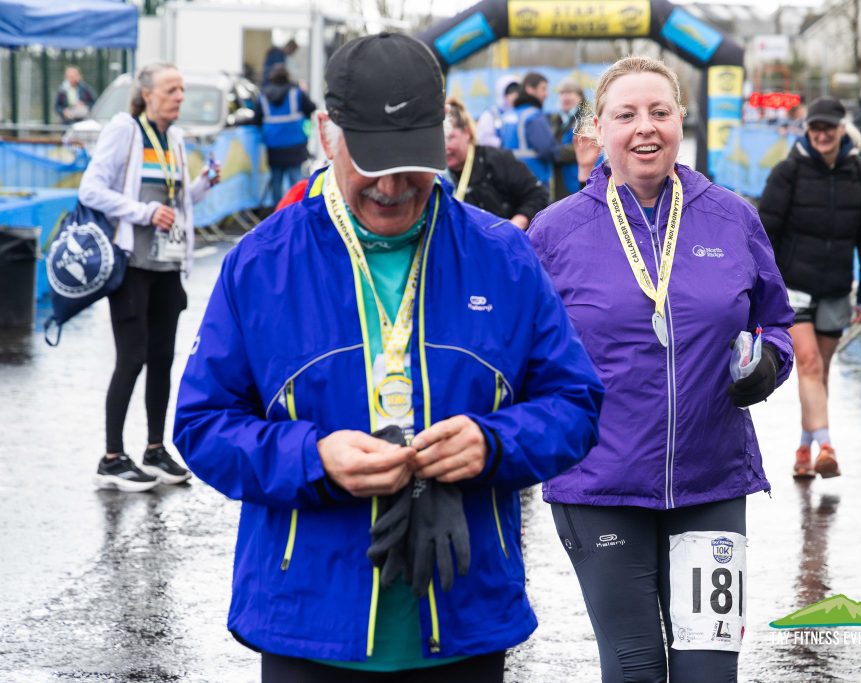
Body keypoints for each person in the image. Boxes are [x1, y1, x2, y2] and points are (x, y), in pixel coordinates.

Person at [173, 33, 603, 682]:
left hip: (465, 623)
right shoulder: (261, 264)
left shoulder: (502, 256)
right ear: (327, 134)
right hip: (307, 630)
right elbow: (202, 424)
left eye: (412, 163)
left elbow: (575, 403)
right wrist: (313, 458)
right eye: (374, 163)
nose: (395, 186)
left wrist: (494, 443)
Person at [529, 55, 795, 682]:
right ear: (598, 128)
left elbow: (775, 323)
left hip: (711, 482)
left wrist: (769, 362)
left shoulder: (731, 217)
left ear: (681, 120)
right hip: (601, 485)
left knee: (709, 673)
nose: (644, 127)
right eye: (626, 115)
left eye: (659, 112)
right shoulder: (556, 232)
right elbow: (522, 355)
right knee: (635, 669)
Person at [77, 62, 220, 492]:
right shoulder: (125, 130)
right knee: (132, 358)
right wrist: (143, 212)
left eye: (181, 89)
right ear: (147, 94)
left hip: (167, 266)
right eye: (171, 89)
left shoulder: (174, 138)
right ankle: (111, 458)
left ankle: (155, 450)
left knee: (162, 359)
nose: (180, 97)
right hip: (132, 266)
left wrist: (202, 184)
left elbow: (175, 202)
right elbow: (91, 189)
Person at [758, 96, 861, 480]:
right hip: (793, 287)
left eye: (829, 127)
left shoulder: (860, 175)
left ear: (843, 129)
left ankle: (804, 448)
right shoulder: (788, 172)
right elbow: (764, 234)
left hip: (835, 288)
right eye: (815, 127)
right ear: (807, 130)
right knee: (809, 363)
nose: (822, 134)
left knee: (820, 372)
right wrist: (764, 288)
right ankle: (827, 447)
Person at [444, 97, 549, 230]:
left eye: (450, 137)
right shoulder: (437, 175)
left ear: (467, 132)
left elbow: (538, 195)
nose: (444, 147)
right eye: (440, 139)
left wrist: (513, 226)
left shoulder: (497, 160)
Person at [255, 64, 317, 207]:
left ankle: (278, 210)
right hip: (295, 144)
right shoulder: (296, 93)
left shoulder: (263, 96)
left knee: (276, 180)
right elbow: (311, 107)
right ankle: (298, 209)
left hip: (273, 146)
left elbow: (256, 119)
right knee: (295, 180)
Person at [500, 71, 559, 189]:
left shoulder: (508, 116)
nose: (546, 94)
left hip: (511, 180)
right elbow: (547, 150)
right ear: (530, 89)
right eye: (543, 89)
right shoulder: (534, 116)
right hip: (535, 180)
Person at [550, 79, 590, 200]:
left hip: (578, 179)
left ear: (580, 96)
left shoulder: (586, 118)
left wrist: (554, 152)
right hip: (560, 179)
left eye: (569, 92)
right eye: (562, 93)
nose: (565, 97)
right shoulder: (557, 119)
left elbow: (585, 146)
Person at [475, 75, 519, 149]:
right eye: (510, 93)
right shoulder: (491, 115)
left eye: (517, 92)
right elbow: (483, 139)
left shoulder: (522, 113)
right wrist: (503, 143)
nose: (514, 96)